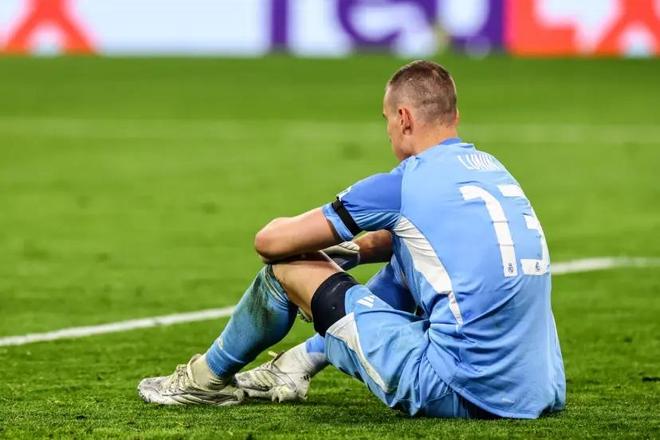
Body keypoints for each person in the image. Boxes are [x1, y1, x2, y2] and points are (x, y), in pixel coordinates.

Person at [138, 60, 566, 419]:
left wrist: (319, 254)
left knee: (287, 267)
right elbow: (415, 246)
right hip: (537, 388)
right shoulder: (493, 170)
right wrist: (356, 251)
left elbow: (269, 242)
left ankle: (205, 380)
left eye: (386, 120)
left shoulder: (400, 186)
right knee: (410, 261)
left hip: (457, 388)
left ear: (404, 118)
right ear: (453, 114)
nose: (389, 130)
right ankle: (296, 364)